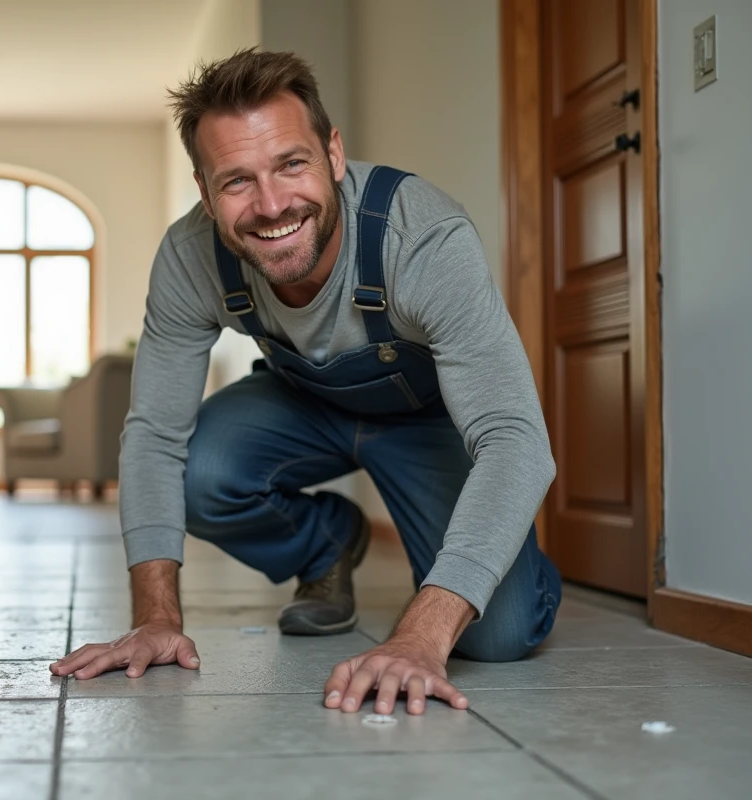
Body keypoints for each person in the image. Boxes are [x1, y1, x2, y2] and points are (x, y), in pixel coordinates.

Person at [50, 48, 561, 716]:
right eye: (236, 181)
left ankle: (516, 566)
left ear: (333, 155)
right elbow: (153, 434)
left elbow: (515, 437)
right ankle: (325, 540)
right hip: (301, 405)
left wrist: (422, 631)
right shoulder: (188, 256)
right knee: (200, 470)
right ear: (205, 194)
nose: (271, 205)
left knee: (498, 634)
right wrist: (155, 616)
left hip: (428, 421)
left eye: (291, 164)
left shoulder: (421, 237)